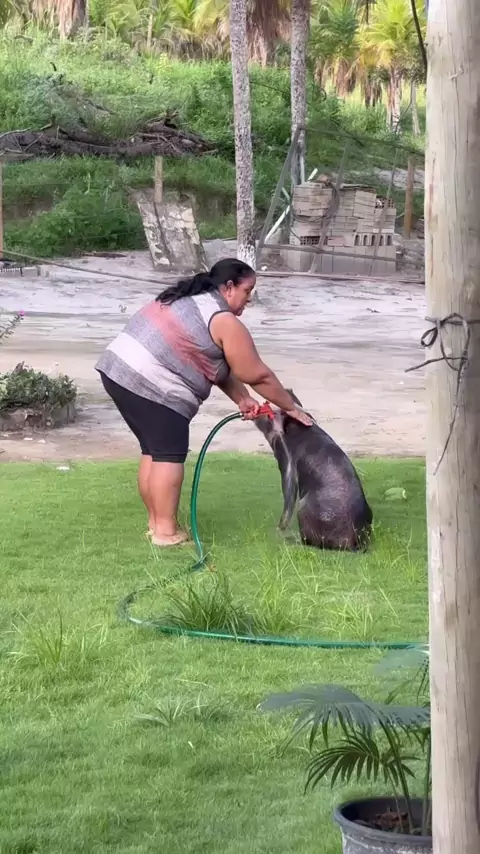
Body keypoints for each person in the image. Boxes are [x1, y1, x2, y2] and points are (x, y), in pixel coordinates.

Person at [95, 258, 313, 547]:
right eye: (247, 291)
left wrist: (243, 399)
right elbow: (257, 375)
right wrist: (289, 406)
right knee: (168, 456)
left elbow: (216, 367)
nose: (249, 299)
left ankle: (156, 523)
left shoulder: (191, 301)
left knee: (153, 451)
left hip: (117, 372)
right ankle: (165, 533)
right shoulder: (223, 320)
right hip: (154, 384)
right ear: (229, 287)